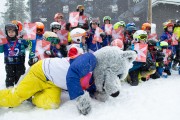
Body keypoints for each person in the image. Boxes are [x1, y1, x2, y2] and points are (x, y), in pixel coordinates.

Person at [0, 23, 29, 87]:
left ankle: (20, 90)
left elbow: (27, 45)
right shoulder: (4, 41)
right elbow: (1, 51)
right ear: (6, 32)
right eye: (9, 32)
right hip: (9, 63)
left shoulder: (20, 41)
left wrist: (25, 38)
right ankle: (9, 90)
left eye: (13, 31)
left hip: (20, 63)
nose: (11, 33)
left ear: (16, 32)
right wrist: (1, 44)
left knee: (20, 77)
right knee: (10, 77)